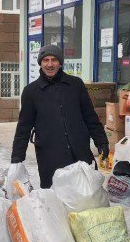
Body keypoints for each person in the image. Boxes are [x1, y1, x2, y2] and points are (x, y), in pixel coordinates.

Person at [11, 44, 109, 188]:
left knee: (86, 194)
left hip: (79, 153)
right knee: (56, 199)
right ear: (40, 63)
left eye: (54, 60)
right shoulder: (31, 92)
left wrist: (101, 141)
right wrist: (17, 158)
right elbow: (23, 128)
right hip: (50, 156)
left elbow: (90, 117)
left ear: (60, 63)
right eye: (46, 60)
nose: (50, 64)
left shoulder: (75, 85)